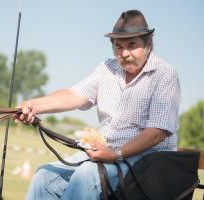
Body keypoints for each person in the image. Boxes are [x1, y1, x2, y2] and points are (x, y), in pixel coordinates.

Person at [14, 9, 181, 200]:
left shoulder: (165, 74)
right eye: (118, 46)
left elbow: (157, 132)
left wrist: (116, 154)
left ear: (149, 44)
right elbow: (74, 95)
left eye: (132, 45)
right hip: (106, 153)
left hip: (148, 159)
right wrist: (34, 105)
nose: (124, 53)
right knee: (44, 175)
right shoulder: (106, 69)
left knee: (87, 175)